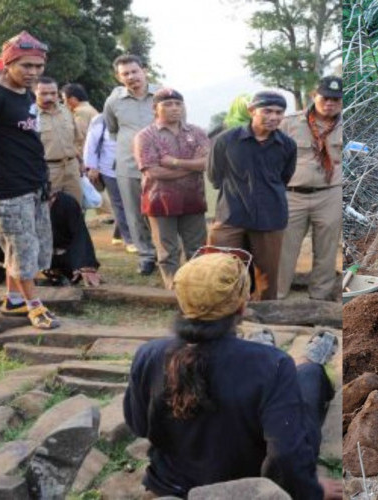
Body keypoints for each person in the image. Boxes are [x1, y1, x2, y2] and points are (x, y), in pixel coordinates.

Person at [123, 249, 342, 499]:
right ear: (241, 306)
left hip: (170, 485)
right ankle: (310, 361)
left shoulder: (149, 354)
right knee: (307, 379)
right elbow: (286, 455)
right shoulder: (272, 365)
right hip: (247, 489)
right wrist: (312, 489)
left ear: (182, 302)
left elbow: (138, 425)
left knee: (283, 373)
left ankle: (294, 355)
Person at [0, 31, 59, 329]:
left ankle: (13, 299)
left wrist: (44, 181)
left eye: (38, 66)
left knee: (25, 248)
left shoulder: (24, 94)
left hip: (34, 183)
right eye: (26, 66)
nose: (33, 73)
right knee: (24, 249)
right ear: (8, 64)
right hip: (8, 188)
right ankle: (35, 306)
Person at [207, 91, 296, 300]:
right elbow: (214, 176)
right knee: (224, 269)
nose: (273, 117)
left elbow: (284, 177)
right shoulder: (226, 140)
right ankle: (227, 315)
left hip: (270, 217)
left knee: (267, 277)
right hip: (230, 215)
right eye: (267, 111)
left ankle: (266, 320)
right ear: (251, 111)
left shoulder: (287, 145)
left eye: (279, 112)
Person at [134, 88, 209, 289]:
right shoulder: (145, 136)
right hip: (159, 199)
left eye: (178, 104)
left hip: (193, 198)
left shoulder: (197, 132)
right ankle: (174, 290)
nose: (174, 108)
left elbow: (206, 162)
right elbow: (153, 172)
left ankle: (197, 288)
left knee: (198, 248)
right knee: (167, 251)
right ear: (154, 109)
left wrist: (174, 162)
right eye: (167, 104)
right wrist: (190, 166)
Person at [278, 76, 343, 301]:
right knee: (285, 249)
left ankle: (319, 297)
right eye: (325, 98)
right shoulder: (289, 123)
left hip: (330, 194)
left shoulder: (346, 125)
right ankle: (277, 296)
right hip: (292, 194)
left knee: (326, 250)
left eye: (336, 99)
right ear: (314, 96)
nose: (330, 103)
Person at [103, 54, 158, 275]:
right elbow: (113, 129)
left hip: (161, 166)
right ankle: (147, 256)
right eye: (125, 74)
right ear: (118, 77)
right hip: (128, 164)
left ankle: (168, 253)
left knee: (164, 211)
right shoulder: (113, 101)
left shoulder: (163, 95)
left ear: (144, 70)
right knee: (135, 212)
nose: (131, 76)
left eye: (135, 71)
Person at [83, 113, 134, 250]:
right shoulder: (100, 120)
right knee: (119, 203)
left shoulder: (135, 115)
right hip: (108, 169)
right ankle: (129, 239)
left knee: (131, 202)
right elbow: (91, 143)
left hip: (132, 167)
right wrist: (92, 166)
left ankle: (118, 235)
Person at [36, 76, 83, 205]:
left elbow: (77, 139)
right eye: (44, 94)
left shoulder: (65, 110)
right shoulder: (31, 115)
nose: (49, 98)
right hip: (47, 170)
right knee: (49, 210)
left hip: (71, 167)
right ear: (35, 93)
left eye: (53, 93)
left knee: (76, 207)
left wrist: (80, 162)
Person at [44, 191, 101, 287]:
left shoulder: (66, 202)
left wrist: (84, 265)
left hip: (64, 257)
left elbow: (79, 234)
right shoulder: (24, 205)